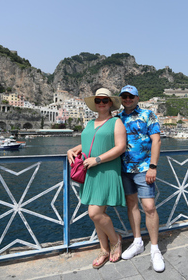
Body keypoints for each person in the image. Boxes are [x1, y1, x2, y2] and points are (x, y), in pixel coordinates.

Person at [67, 88, 127, 269]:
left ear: (110, 103)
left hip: (106, 170)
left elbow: (120, 147)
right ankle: (104, 250)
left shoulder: (116, 122)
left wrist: (98, 159)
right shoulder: (90, 123)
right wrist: (73, 149)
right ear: (95, 104)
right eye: (98, 100)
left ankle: (116, 240)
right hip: (90, 172)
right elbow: (89, 141)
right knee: (96, 215)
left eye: (105, 100)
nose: (101, 103)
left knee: (94, 213)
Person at [118, 85, 165, 272]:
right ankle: (137, 242)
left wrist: (153, 166)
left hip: (144, 169)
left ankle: (155, 249)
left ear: (137, 97)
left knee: (149, 207)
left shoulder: (148, 114)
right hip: (124, 169)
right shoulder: (117, 118)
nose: (127, 99)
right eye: (124, 96)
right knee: (132, 205)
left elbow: (156, 140)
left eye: (131, 96)